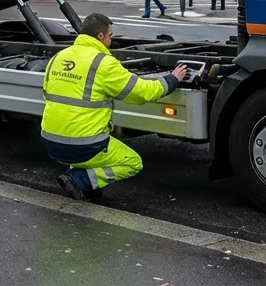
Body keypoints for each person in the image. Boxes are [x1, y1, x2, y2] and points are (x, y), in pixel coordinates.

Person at [42, 13, 189, 201]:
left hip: (50, 143)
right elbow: (142, 92)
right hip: (84, 147)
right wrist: (172, 79)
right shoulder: (103, 63)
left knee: (84, 147)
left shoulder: (57, 57)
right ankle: (80, 180)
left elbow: (47, 95)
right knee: (133, 163)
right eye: (110, 35)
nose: (111, 40)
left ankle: (89, 186)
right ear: (100, 37)